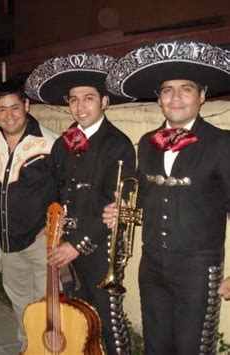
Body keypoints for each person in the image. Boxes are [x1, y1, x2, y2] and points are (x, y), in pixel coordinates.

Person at [104, 39, 230, 354]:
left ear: (202, 96)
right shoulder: (147, 142)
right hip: (152, 264)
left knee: (192, 348)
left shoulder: (221, 143)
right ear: (159, 98)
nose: (175, 98)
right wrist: (124, 209)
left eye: (185, 89)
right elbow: (145, 198)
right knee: (156, 345)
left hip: (198, 268)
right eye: (167, 90)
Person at [25, 53, 136, 355]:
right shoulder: (64, 143)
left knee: (108, 323)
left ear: (105, 102)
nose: (80, 106)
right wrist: (50, 233)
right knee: (79, 320)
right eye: (74, 99)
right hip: (65, 247)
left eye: (88, 98)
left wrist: (77, 244)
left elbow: (114, 207)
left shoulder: (118, 144)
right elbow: (55, 194)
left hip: (99, 250)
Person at [0, 81, 58, 351]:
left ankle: (49, 349)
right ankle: (29, 346)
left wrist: (56, 226)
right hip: (8, 239)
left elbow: (66, 186)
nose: (9, 115)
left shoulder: (50, 143)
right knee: (19, 299)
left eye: (15, 107)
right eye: (2, 109)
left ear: (26, 105)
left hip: (40, 239)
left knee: (47, 302)